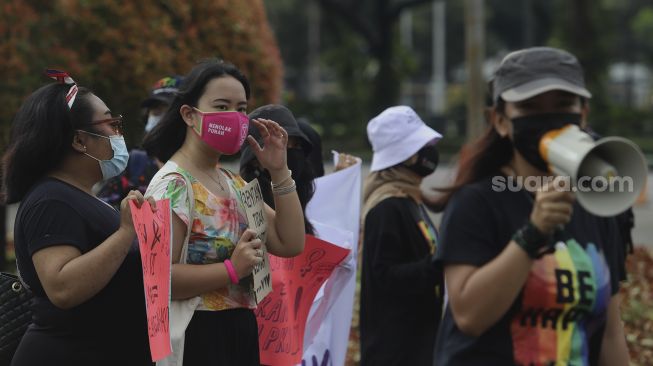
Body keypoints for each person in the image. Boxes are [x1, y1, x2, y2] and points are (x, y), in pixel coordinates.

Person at [432, 47, 630, 365]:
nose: (548, 117)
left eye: (563, 105)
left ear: (582, 115)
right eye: (529, 106)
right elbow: (469, 316)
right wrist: (533, 232)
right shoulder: (477, 203)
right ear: (500, 121)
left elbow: (609, 331)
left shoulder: (597, 206)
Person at [142, 60, 305, 365]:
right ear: (190, 115)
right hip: (197, 334)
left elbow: (290, 242)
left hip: (240, 330)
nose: (235, 117)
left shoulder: (233, 183)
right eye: (222, 106)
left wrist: (280, 171)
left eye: (242, 108)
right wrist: (230, 270)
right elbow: (158, 277)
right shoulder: (172, 184)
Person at [3, 70, 153, 365]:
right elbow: (62, 287)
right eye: (112, 124)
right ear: (80, 140)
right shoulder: (51, 201)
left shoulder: (74, 196)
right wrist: (125, 232)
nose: (118, 134)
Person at [359, 106, 444, 366]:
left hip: (417, 344)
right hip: (396, 351)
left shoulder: (410, 199)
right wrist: (441, 263)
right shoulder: (388, 207)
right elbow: (386, 277)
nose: (430, 149)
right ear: (405, 156)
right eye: (423, 144)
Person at [97, 75, 183, 209]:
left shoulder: (205, 169)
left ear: (188, 115)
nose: (162, 118)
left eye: (169, 111)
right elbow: (101, 210)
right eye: (156, 111)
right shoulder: (134, 163)